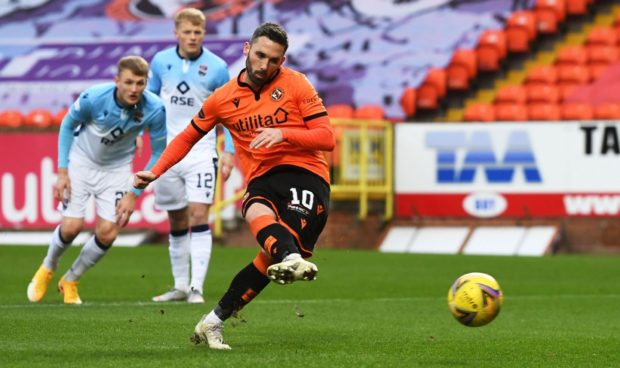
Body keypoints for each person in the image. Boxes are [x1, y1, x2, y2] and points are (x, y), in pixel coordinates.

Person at [133, 22, 335, 349]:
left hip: (306, 174)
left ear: (282, 61)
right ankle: (288, 259)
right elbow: (187, 137)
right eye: (259, 55)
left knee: (266, 260)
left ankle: (214, 319)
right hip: (262, 178)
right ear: (246, 49)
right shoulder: (222, 99)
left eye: (274, 60)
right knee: (255, 209)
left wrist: (284, 133)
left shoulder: (297, 84)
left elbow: (327, 138)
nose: (264, 65)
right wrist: (155, 171)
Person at [26, 55, 167, 305]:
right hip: (81, 163)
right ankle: (48, 267)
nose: (134, 89)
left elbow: (158, 151)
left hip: (116, 171)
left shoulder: (154, 108)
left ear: (147, 82)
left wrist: (133, 193)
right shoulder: (94, 97)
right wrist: (62, 171)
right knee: (71, 227)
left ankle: (71, 279)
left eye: (140, 83)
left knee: (108, 233)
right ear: (117, 81)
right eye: (129, 82)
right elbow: (68, 125)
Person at [147, 8, 235, 304]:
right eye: (187, 32)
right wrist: (137, 132)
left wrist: (229, 152)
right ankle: (180, 286)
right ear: (177, 33)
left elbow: (230, 113)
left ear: (204, 33)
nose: (193, 37)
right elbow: (149, 100)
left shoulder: (218, 67)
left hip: (201, 151)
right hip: (167, 153)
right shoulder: (160, 62)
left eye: (198, 32)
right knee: (175, 219)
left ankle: (197, 287)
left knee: (199, 215)